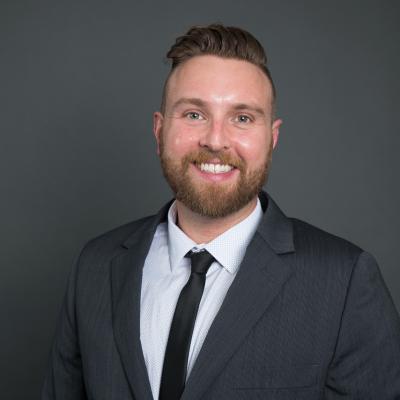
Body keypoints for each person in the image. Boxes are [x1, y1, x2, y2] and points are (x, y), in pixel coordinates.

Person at [42, 24, 400, 400]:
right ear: (159, 130)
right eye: (194, 114)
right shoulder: (95, 266)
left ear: (272, 138)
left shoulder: (344, 282)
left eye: (242, 118)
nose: (215, 140)